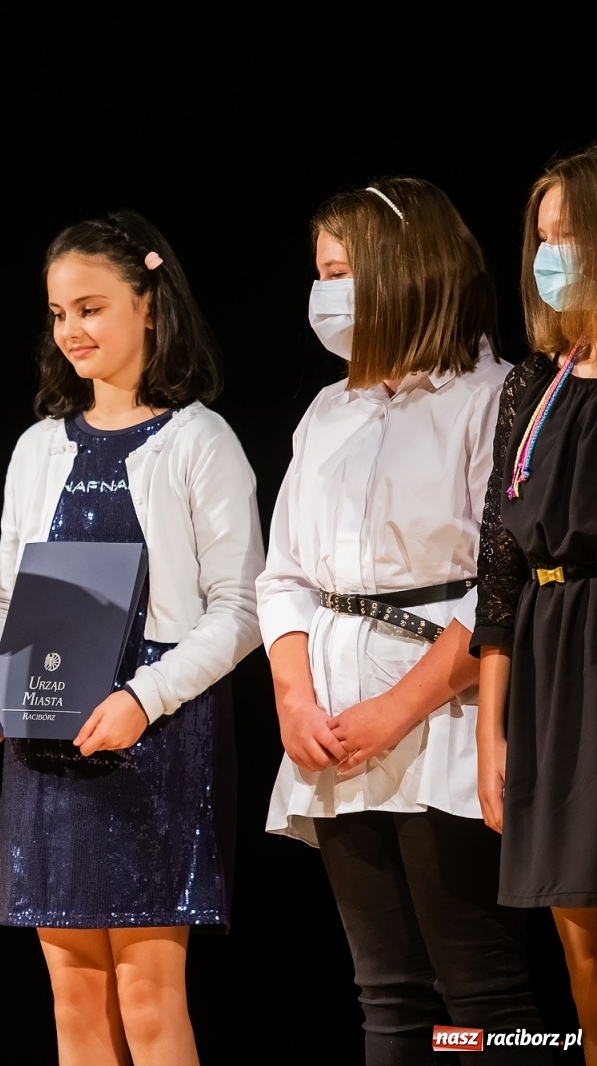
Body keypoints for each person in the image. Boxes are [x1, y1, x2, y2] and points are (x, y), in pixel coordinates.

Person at [0, 212, 261, 1066]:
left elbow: (241, 609)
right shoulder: (37, 448)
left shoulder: (199, 440)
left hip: (155, 735)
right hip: (48, 733)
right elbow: (8, 597)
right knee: (74, 1002)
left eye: (91, 308)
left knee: (149, 1002)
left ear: (148, 304)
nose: (71, 330)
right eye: (58, 313)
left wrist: (142, 700)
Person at [259, 177, 550, 1064]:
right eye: (321, 275)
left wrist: (396, 710)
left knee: (481, 991)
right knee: (385, 989)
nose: (325, 296)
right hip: (333, 724)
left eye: (340, 273)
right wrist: (295, 701)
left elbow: (498, 585)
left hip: (446, 718)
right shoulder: (328, 411)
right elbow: (284, 576)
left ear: (403, 270)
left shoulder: (492, 398)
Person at [475, 145, 597, 1058]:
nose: (552, 256)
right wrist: (492, 730)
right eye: (542, 239)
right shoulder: (535, 383)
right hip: (554, 659)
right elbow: (501, 567)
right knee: (577, 921)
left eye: (570, 236)